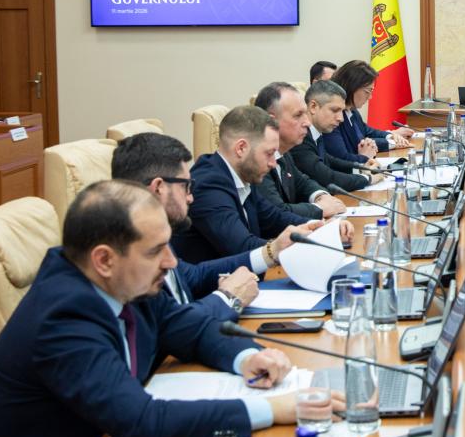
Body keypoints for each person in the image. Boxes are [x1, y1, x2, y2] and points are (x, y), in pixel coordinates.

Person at [0, 181, 343, 437]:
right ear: (104, 259)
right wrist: (274, 409)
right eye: (156, 250)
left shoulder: (122, 278)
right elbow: (143, 423)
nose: (171, 262)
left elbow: (191, 328)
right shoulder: (63, 317)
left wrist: (248, 357)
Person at [111, 132, 316, 321]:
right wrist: (229, 298)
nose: (191, 198)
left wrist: (273, 251)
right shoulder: (129, 262)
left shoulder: (156, 235)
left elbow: (193, 276)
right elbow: (174, 325)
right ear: (158, 188)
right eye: (186, 186)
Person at [171, 106, 333, 263]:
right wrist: (286, 246)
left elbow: (273, 218)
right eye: (269, 154)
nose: (273, 163)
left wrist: (319, 228)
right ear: (241, 148)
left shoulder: (243, 174)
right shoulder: (208, 185)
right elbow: (241, 247)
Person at [253, 82, 347, 220]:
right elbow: (277, 212)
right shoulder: (256, 160)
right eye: (298, 115)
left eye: (305, 114)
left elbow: (302, 182)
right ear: (271, 122)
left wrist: (321, 196)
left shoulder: (284, 152)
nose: (307, 123)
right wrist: (319, 208)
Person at [293, 79, 382, 192]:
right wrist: (367, 178)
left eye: (341, 111)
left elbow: (330, 161)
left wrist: (361, 166)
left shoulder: (316, 132)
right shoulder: (300, 138)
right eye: (335, 110)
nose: (341, 118)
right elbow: (326, 177)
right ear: (313, 107)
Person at [322, 59, 413, 166]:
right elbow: (342, 157)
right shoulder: (332, 117)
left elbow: (366, 132)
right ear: (352, 87)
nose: (370, 97)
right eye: (367, 91)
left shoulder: (352, 110)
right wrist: (365, 157)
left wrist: (391, 136)